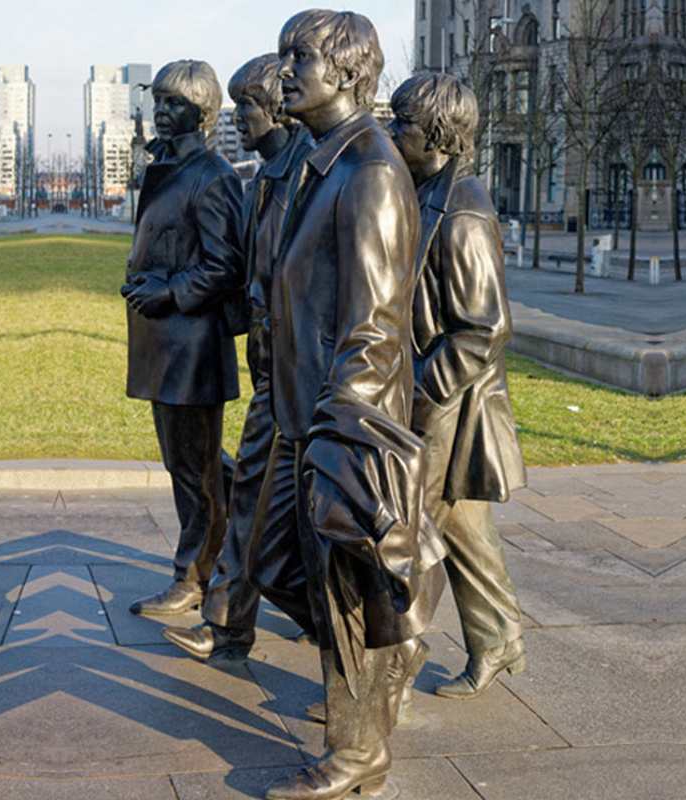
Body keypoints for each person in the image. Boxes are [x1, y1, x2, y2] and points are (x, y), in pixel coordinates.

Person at [245, 11, 445, 800]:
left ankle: (357, 749)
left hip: (339, 423)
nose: (285, 70)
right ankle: (395, 638)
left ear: (351, 73)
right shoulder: (318, 161)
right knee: (273, 564)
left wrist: (337, 432)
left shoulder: (369, 170)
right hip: (302, 412)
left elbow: (374, 323)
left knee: (338, 591)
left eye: (302, 59)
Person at [163, 54, 313, 664]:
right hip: (270, 369)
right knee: (254, 502)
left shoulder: (305, 175)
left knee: (275, 510)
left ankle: (349, 635)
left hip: (300, 376)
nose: (238, 117)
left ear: (275, 108)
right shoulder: (270, 175)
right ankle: (230, 627)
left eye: (246, 106)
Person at [389, 71, 527, 699]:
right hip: (426, 394)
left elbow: (482, 328)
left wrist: (421, 390)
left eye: (405, 125)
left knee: (410, 529)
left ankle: (393, 661)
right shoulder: (421, 193)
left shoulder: (463, 209)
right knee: (463, 528)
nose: (393, 134)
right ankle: (499, 641)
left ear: (439, 135)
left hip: (446, 403)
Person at [122, 60, 246, 617]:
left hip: (191, 349)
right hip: (164, 345)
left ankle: (194, 577)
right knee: (193, 466)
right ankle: (253, 542)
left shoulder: (213, 176)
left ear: (201, 114)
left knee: (194, 473)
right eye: (160, 100)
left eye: (175, 104)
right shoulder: (168, 167)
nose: (161, 111)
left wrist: (168, 292)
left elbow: (225, 266)